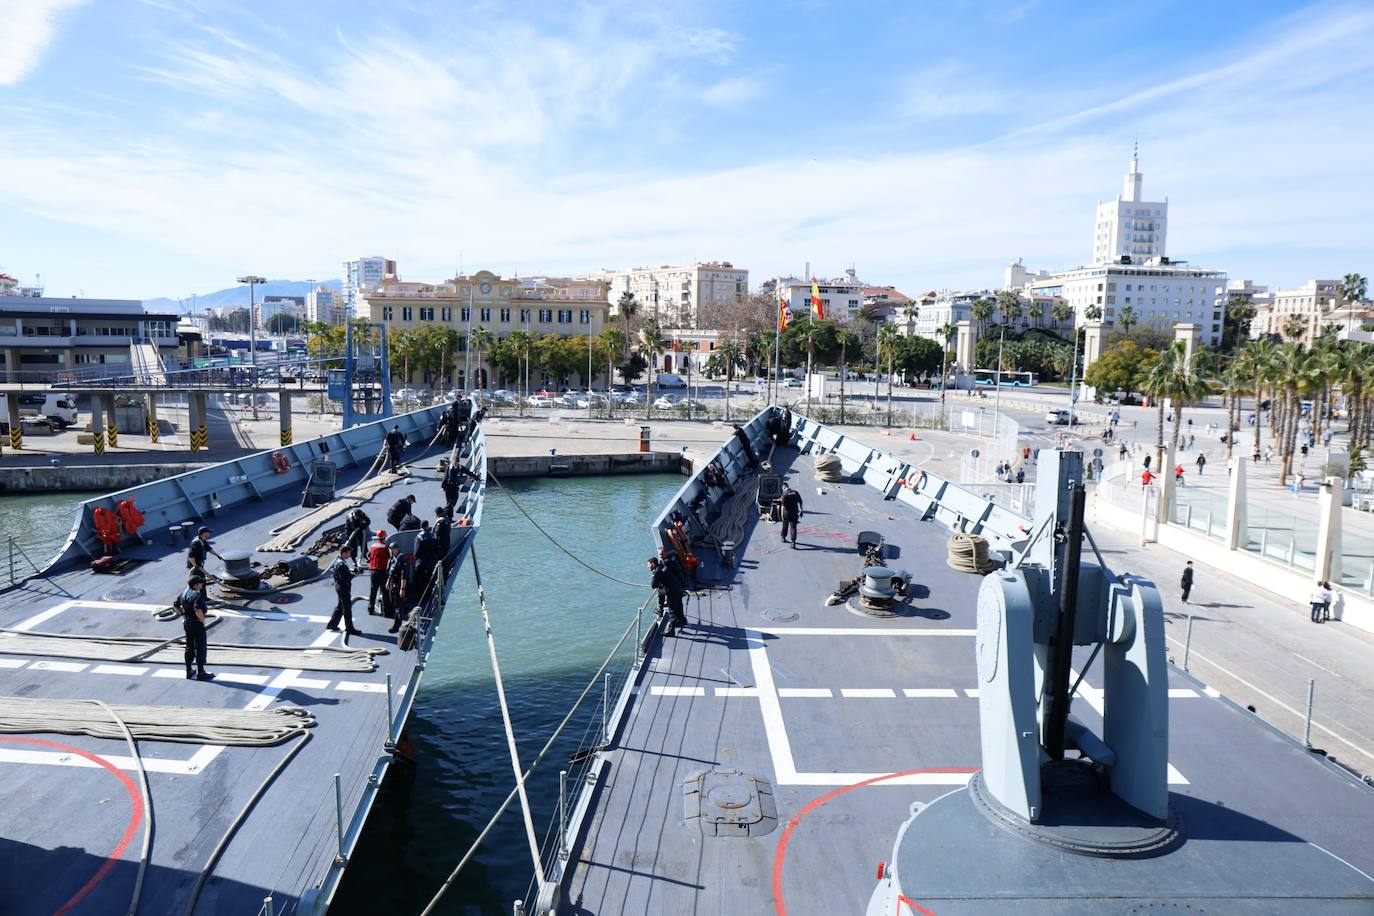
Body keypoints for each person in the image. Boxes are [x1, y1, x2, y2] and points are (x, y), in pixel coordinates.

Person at [175, 575, 215, 681]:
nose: (202, 584)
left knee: (189, 646)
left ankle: (189, 671)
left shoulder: (183, 593)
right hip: (196, 623)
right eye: (200, 583)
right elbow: (198, 609)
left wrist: (182, 615)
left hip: (187, 623)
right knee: (200, 647)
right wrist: (202, 621)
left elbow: (175, 605)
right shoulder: (197, 595)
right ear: (195, 584)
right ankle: (201, 672)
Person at [648, 556, 687, 636]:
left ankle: (670, 630)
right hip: (677, 587)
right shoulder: (663, 566)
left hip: (671, 591)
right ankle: (682, 620)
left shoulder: (657, 572)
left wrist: (654, 578)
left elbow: (653, 585)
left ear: (652, 564)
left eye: (648, 564)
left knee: (672, 609)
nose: (648, 566)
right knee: (679, 605)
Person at [326, 547, 361, 635]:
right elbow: (345, 578)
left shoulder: (338, 561)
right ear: (344, 553)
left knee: (340, 606)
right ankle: (349, 628)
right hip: (343, 588)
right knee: (347, 608)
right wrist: (354, 574)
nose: (350, 555)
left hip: (339, 586)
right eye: (349, 553)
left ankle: (332, 624)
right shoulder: (341, 565)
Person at [412, 521, 440, 604]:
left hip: (421, 562)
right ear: (427, 526)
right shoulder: (433, 536)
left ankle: (420, 597)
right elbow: (436, 549)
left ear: (421, 527)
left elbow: (416, 552)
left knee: (418, 579)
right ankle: (429, 596)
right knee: (430, 580)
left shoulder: (419, 537)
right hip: (431, 562)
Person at [384, 544, 410, 632]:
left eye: (393, 549)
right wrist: (388, 582)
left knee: (398, 607)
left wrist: (402, 589)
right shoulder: (392, 559)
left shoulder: (401, 560)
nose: (391, 550)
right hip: (393, 585)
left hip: (399, 585)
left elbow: (404, 576)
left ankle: (396, 626)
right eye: (390, 549)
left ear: (397, 549)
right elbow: (390, 572)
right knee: (394, 604)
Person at [367, 530, 389, 615]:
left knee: (373, 591)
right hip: (382, 571)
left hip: (373, 571)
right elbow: (389, 557)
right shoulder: (385, 547)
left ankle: (370, 609)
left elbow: (369, 555)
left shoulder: (373, 546)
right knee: (385, 592)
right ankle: (386, 611)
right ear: (384, 537)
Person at [343, 508, 371, 573]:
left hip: (360, 529)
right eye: (357, 517)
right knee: (353, 546)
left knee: (363, 542)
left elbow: (368, 521)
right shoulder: (350, 518)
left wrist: (364, 526)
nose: (358, 518)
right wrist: (349, 538)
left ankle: (365, 555)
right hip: (351, 531)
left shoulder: (362, 514)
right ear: (354, 515)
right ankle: (354, 560)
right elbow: (351, 527)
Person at [780, 481, 804, 548]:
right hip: (794, 513)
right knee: (793, 527)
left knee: (785, 525)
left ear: (783, 487)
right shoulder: (796, 492)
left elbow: (782, 506)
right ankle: (793, 542)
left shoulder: (784, 494)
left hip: (786, 513)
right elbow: (801, 502)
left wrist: (781, 515)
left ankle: (783, 537)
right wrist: (802, 511)